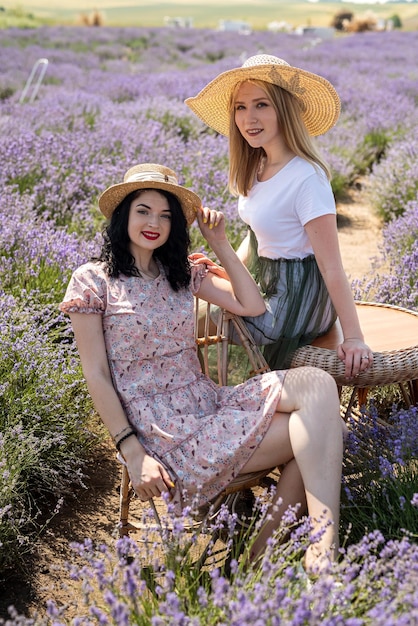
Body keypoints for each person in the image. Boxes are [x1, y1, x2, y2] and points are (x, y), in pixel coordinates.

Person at [59, 162, 344, 574]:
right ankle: (278, 559)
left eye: (166, 215)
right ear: (124, 215)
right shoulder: (94, 281)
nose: (154, 222)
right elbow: (96, 375)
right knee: (325, 432)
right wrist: (133, 452)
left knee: (318, 385)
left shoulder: (182, 274)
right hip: (164, 433)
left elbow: (252, 306)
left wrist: (221, 244)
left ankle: (305, 552)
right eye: (143, 210)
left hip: (209, 404)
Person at [185, 54, 373, 379]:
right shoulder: (257, 168)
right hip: (265, 285)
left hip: (298, 301)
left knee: (190, 290)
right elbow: (257, 235)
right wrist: (228, 271)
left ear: (284, 110)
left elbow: (332, 266)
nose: (248, 118)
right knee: (193, 289)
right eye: (240, 107)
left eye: (262, 105)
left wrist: (354, 336)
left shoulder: (306, 178)